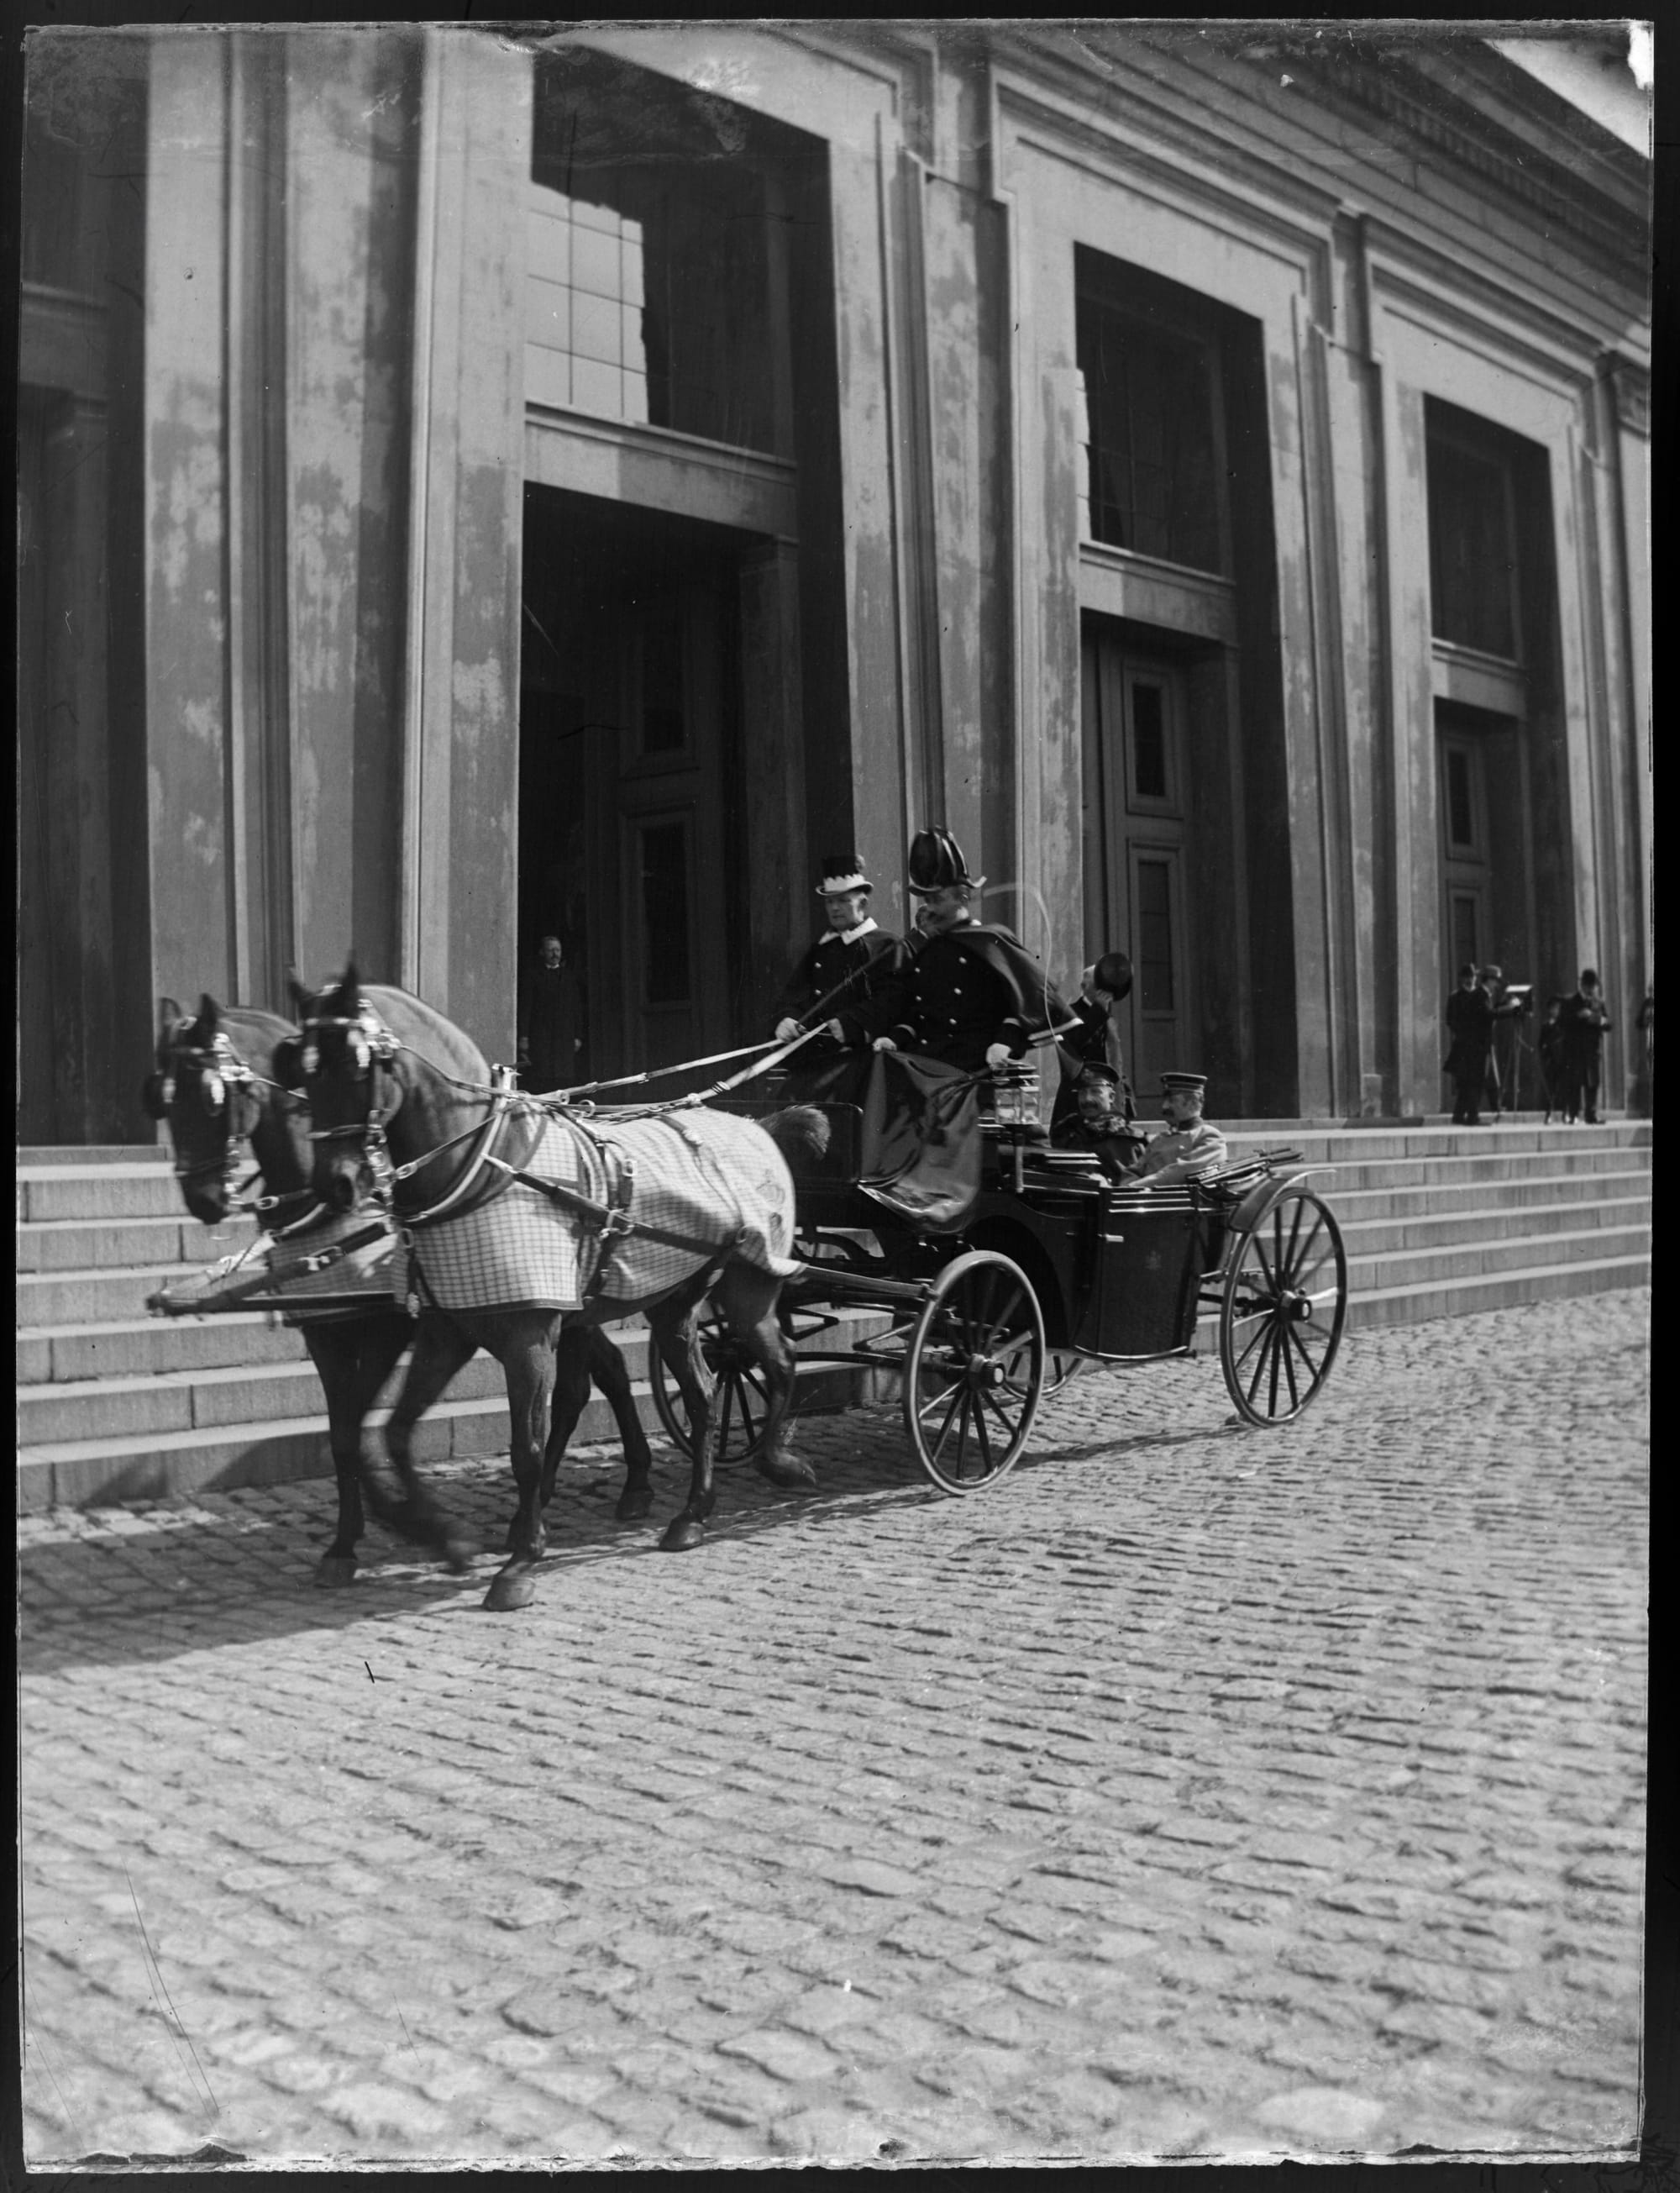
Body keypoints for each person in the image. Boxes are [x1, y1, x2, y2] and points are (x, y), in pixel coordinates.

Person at [843, 826, 1074, 1088]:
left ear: (962, 896)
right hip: (927, 1068)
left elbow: (1030, 999)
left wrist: (1004, 1042)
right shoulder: (927, 951)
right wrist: (894, 1037)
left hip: (975, 1071)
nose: (930, 908)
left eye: (937, 899)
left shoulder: (991, 940)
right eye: (927, 899)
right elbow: (917, 1013)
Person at [770, 854, 901, 1071]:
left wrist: (852, 1023)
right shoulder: (821, 949)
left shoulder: (886, 945)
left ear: (863, 903)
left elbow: (893, 1000)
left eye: (843, 901)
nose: (835, 908)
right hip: (816, 1058)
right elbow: (794, 994)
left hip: (865, 1058)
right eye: (830, 901)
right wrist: (788, 1018)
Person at [1052, 950, 1137, 1132]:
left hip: (1110, 1103)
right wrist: (1098, 1010)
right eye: (1099, 983)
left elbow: (1114, 1060)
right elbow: (1072, 1045)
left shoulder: (1108, 1017)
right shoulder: (1069, 1012)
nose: (1105, 988)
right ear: (1084, 986)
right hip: (1080, 1105)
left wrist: (1124, 1098)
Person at [1122, 1071, 1229, 1187]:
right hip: (1142, 1199)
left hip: (1180, 1202)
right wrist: (1127, 1189)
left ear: (1192, 1103)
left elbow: (1181, 1172)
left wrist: (1135, 1187)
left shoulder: (1209, 1137)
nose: (1165, 1106)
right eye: (1165, 1101)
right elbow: (1132, 1172)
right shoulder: (1161, 1138)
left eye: (1172, 1101)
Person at [1050, 1061, 1148, 1180]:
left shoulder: (1128, 1141)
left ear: (1111, 1097)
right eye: (1082, 1093)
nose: (1087, 1099)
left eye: (1095, 1092)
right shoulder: (1067, 1133)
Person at [517, 933, 584, 1092]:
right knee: (543, 1076)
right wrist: (524, 1037)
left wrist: (578, 1036)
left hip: (564, 1038)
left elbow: (576, 1008)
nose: (555, 954)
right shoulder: (533, 976)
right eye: (550, 950)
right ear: (542, 953)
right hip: (542, 1037)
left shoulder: (569, 977)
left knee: (564, 1079)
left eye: (558, 950)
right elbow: (526, 1008)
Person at [1557, 968, 1613, 1124]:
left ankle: (1591, 1114)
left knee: (1592, 1083)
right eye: (1588, 986)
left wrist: (1600, 1020)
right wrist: (1578, 1016)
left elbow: (1609, 1024)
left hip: (1592, 1049)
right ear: (1582, 985)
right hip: (1575, 1049)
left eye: (1593, 986)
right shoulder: (1569, 1002)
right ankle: (1573, 1114)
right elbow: (1561, 1022)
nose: (1590, 990)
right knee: (1574, 1083)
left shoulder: (1598, 1002)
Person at [1445, 962, 1494, 1126]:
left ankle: (1462, 1114)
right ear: (1461, 979)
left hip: (1476, 1044)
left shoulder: (1479, 995)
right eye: (1467, 977)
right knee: (1467, 1082)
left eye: (1473, 977)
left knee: (1473, 1081)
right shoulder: (1455, 997)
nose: (1471, 980)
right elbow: (1450, 1020)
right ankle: (1470, 1115)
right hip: (1463, 1045)